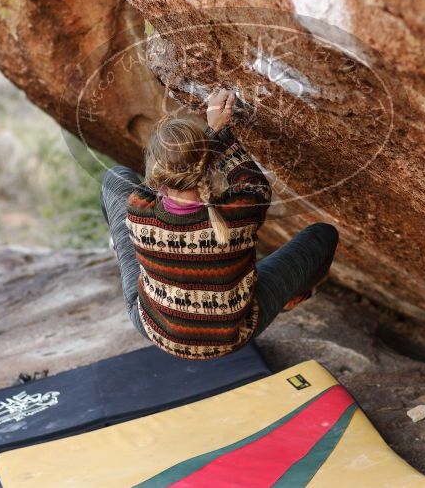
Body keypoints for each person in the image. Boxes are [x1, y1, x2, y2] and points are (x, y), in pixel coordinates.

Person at [100, 89, 339, 359]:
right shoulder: (242, 210)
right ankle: (293, 297)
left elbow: (153, 182)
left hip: (157, 330)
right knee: (323, 235)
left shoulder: (138, 210)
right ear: (204, 163)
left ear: (158, 172)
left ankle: (121, 247)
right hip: (234, 335)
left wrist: (210, 133)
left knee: (115, 177)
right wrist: (215, 127)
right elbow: (248, 177)